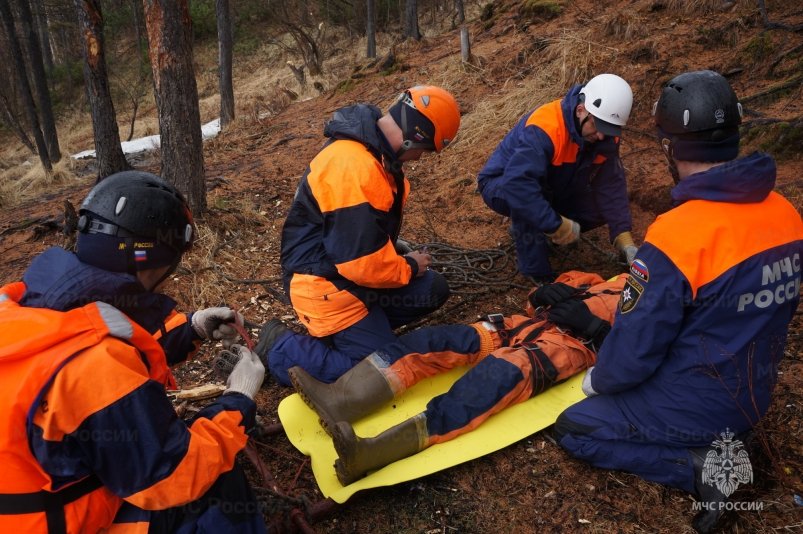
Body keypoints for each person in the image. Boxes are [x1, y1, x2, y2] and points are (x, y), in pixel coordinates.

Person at [553, 70, 803, 533]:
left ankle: (698, 466)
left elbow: (635, 350)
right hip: (754, 392)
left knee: (576, 427)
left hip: (694, 405)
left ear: (670, 147)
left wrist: (600, 380)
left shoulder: (678, 235)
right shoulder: (786, 214)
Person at [0, 171, 266, 533]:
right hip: (57, 522)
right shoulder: (94, 364)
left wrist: (191, 328)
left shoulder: (26, 303)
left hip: (30, 499)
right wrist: (238, 402)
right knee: (214, 478)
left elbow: (98, 334)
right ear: (151, 263)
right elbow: (173, 475)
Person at [287, 270, 629, 485]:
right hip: (513, 328)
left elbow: (643, 359)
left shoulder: (661, 309)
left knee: (487, 383)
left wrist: (597, 331)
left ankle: (370, 455)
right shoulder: (604, 280)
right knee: (430, 342)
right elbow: (539, 299)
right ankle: (340, 401)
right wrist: (542, 294)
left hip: (562, 350)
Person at [262, 85, 461, 386]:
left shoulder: (374, 154)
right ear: (417, 135)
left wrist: (396, 254)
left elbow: (361, 239)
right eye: (427, 149)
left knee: (432, 287)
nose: (421, 158)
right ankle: (279, 347)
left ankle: (360, 331)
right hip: (323, 285)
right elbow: (360, 263)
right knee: (380, 374)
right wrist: (408, 266)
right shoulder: (355, 166)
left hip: (349, 277)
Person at [477, 73, 638, 283]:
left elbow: (611, 185)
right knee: (530, 198)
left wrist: (624, 240)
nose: (601, 137)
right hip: (502, 183)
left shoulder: (604, 136)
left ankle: (540, 228)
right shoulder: (546, 128)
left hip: (554, 183)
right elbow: (518, 185)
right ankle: (538, 275)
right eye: (598, 128)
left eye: (608, 130)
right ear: (581, 110)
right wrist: (554, 224)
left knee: (597, 205)